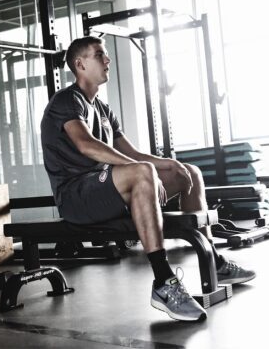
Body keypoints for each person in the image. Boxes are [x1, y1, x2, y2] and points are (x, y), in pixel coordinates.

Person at [40, 36, 255, 322]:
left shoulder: (103, 109)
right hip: (76, 198)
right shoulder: (66, 100)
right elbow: (86, 144)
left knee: (189, 173)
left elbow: (131, 153)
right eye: (100, 55)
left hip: (106, 190)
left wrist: (169, 164)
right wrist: (145, 172)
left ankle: (214, 260)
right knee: (142, 171)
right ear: (80, 64)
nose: (107, 60)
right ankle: (164, 281)